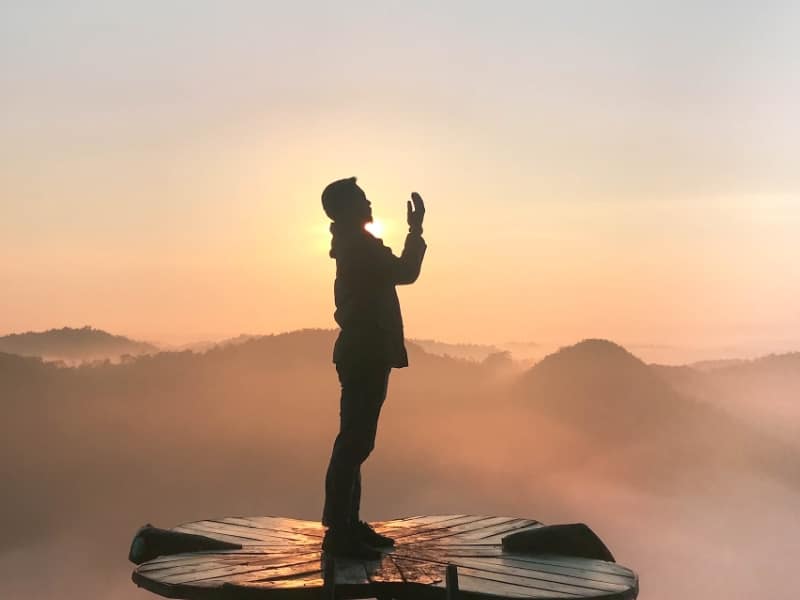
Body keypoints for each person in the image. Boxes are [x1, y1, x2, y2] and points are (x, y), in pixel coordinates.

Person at [320, 177, 427, 559]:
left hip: (363, 352)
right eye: (362, 199)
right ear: (348, 208)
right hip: (365, 353)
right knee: (354, 441)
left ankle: (348, 524)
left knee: (356, 440)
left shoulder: (354, 245)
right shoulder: (360, 248)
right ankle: (339, 530)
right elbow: (405, 272)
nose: (369, 204)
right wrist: (415, 230)